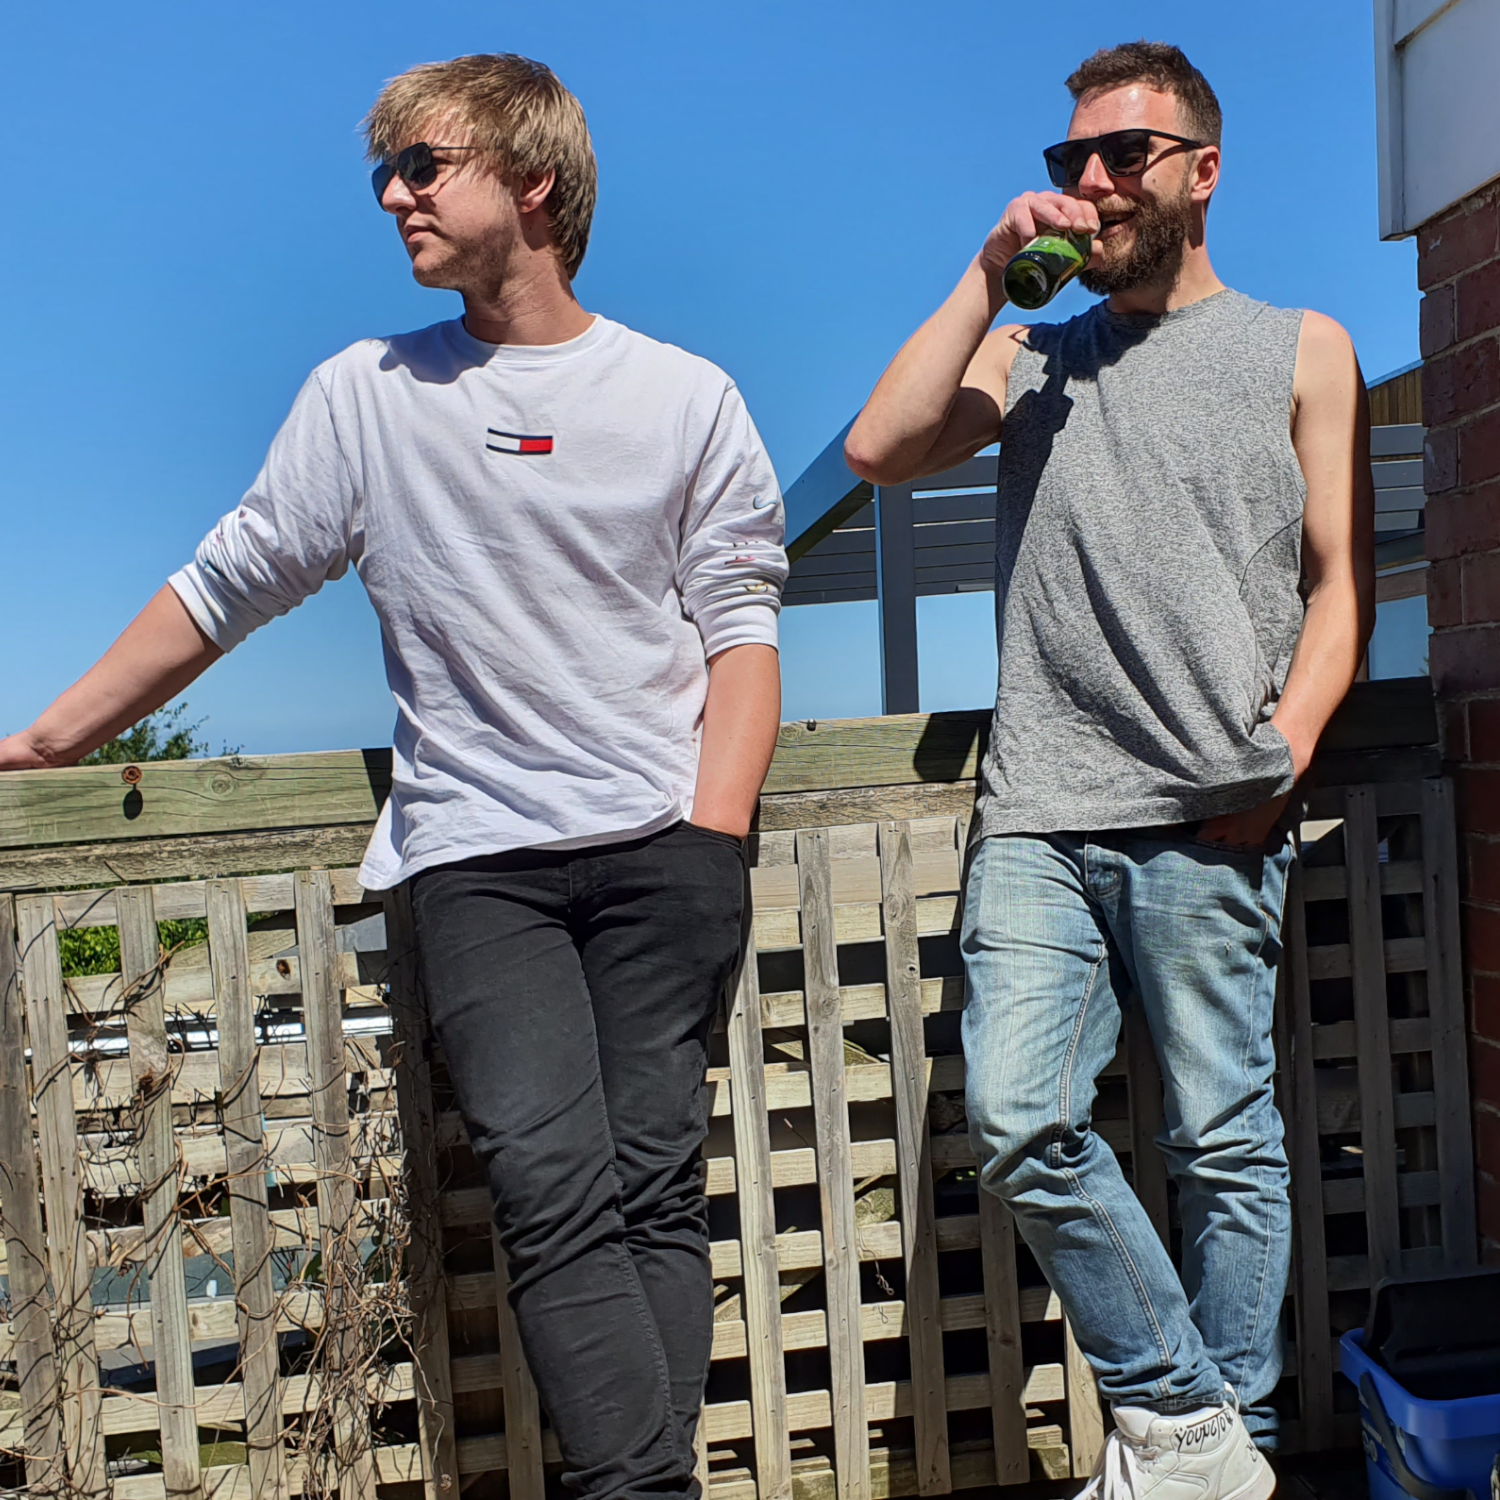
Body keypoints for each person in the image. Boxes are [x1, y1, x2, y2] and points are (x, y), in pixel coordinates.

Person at [0, 53, 787, 1500]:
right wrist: (51, 740)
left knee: (654, 1191)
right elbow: (226, 582)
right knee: (549, 1188)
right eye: (385, 171)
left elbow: (742, 630)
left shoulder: (684, 396)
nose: (391, 196)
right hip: (477, 861)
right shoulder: (365, 396)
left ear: (533, 182)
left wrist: (711, 832)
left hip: (664, 852)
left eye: (422, 165)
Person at [845, 39, 1372, 1500]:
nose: (1092, 179)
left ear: (1204, 171)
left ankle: (1220, 1455)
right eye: (1071, 156)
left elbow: (1340, 586)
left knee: (1225, 1144)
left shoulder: (1302, 347)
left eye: (1124, 154)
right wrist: (987, 273)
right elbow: (881, 446)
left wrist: (1285, 755)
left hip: (1215, 810)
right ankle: (1196, 1430)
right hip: (1040, 810)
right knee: (1020, 1121)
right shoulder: (1033, 356)